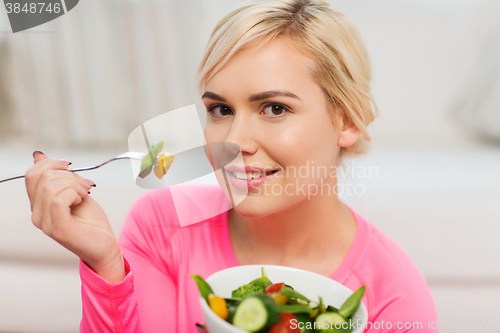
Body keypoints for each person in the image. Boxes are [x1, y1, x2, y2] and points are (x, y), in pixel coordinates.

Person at [25, 0, 438, 332]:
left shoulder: (394, 299)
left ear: (347, 120)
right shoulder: (162, 225)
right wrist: (109, 268)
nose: (233, 143)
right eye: (220, 109)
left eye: (274, 108)